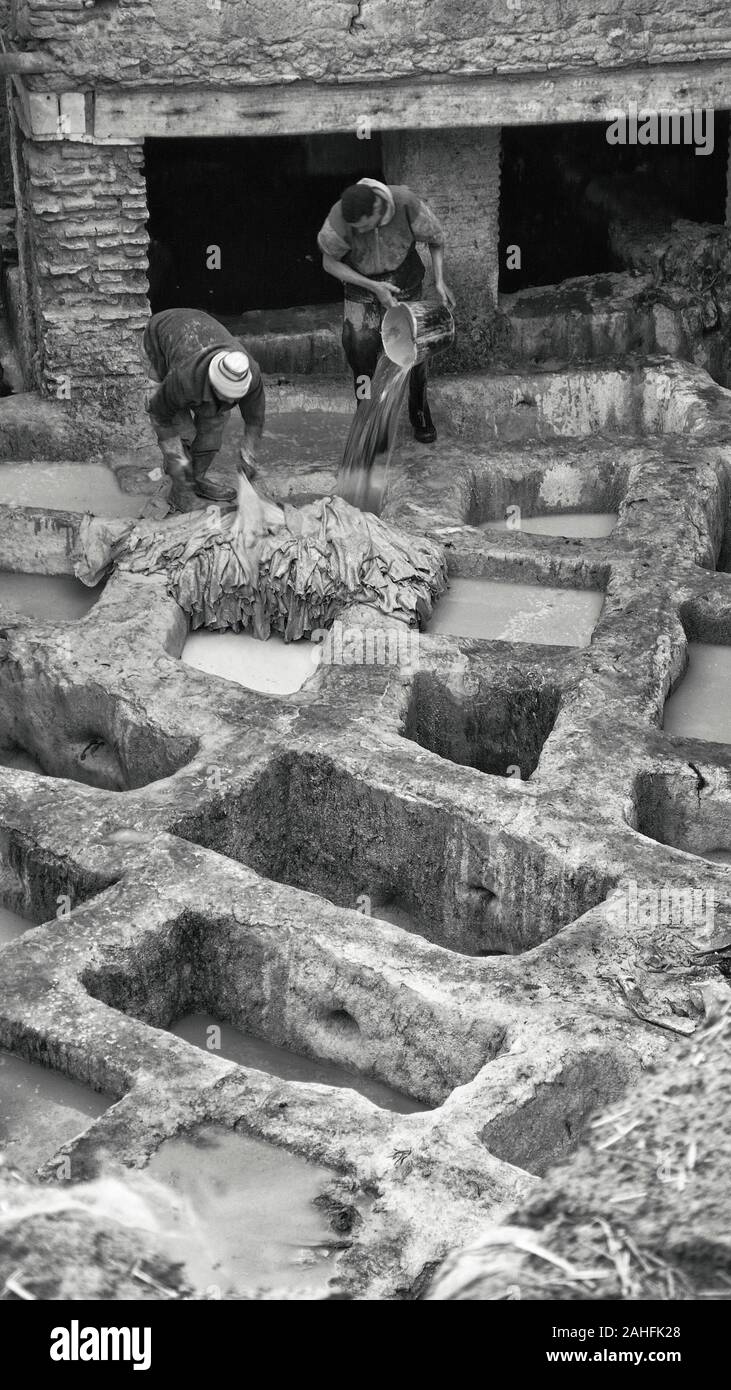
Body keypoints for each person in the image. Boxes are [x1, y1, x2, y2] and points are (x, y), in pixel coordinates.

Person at [318, 177, 455, 443]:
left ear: (378, 209)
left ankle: (419, 410)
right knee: (359, 351)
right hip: (360, 283)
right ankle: (366, 417)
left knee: (417, 347)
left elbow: (437, 238)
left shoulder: (406, 203)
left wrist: (439, 280)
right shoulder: (340, 218)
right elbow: (329, 263)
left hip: (406, 279)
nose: (360, 232)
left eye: (365, 227)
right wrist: (373, 286)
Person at [143, 308, 264, 510]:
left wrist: (248, 455)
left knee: (212, 430)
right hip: (159, 338)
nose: (228, 402)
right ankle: (180, 493)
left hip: (199, 333)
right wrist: (176, 457)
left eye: (233, 397)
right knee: (184, 439)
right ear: (213, 381)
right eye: (224, 395)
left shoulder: (250, 374)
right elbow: (160, 416)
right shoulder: (184, 378)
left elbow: (254, 419)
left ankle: (196, 480)